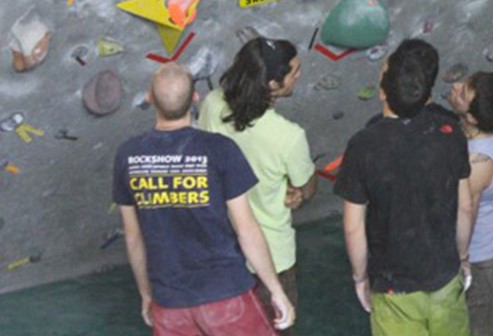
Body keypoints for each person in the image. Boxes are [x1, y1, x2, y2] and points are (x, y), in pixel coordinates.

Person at [113, 63, 294, 335]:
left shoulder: (127, 155)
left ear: (149, 98)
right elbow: (247, 229)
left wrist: (147, 294)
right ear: (195, 98)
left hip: (170, 300)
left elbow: (133, 237)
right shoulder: (220, 150)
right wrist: (275, 289)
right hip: (226, 293)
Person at [335, 40, 473, 335]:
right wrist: (461, 258)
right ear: (424, 95)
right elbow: (465, 206)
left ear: (383, 92)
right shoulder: (450, 134)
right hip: (445, 276)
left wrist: (360, 278)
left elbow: (353, 227)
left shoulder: (363, 145)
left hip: (394, 285)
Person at [196, 37, 316, 334]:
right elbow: (308, 187)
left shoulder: (212, 104)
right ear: (273, 85)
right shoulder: (288, 136)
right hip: (272, 255)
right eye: (294, 72)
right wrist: (299, 193)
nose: (298, 75)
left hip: (221, 249)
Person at [448, 71, 493, 336]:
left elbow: (467, 210)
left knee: (479, 326)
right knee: (492, 315)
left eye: (463, 93)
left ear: (472, 118)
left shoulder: (478, 159)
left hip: (481, 255)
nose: (455, 87)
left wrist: (462, 257)